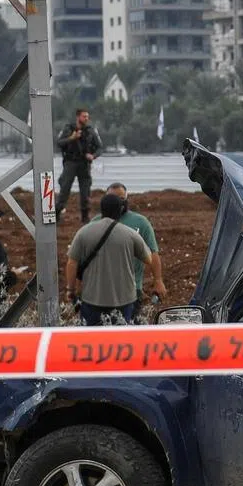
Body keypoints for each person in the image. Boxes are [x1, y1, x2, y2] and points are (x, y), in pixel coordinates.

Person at [65, 192, 154, 325]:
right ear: (120, 210)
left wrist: (71, 290)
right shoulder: (130, 234)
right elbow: (148, 259)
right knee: (121, 340)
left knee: (91, 339)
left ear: (102, 209)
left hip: (92, 299)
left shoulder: (84, 232)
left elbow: (72, 263)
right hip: (124, 299)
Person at [105, 182, 167, 311]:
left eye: (121, 198)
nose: (117, 202)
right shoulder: (96, 223)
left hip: (132, 289)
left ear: (127, 199)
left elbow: (153, 253)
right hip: (102, 291)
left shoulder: (140, 223)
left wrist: (158, 281)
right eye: (113, 199)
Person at [55, 107, 102, 223]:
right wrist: (72, 138)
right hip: (70, 162)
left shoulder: (91, 131)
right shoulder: (68, 129)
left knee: (85, 191)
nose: (86, 119)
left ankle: (85, 216)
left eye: (87, 116)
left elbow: (100, 147)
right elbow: (59, 143)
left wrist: (93, 156)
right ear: (78, 117)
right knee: (64, 189)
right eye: (84, 116)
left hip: (84, 164)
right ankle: (56, 213)